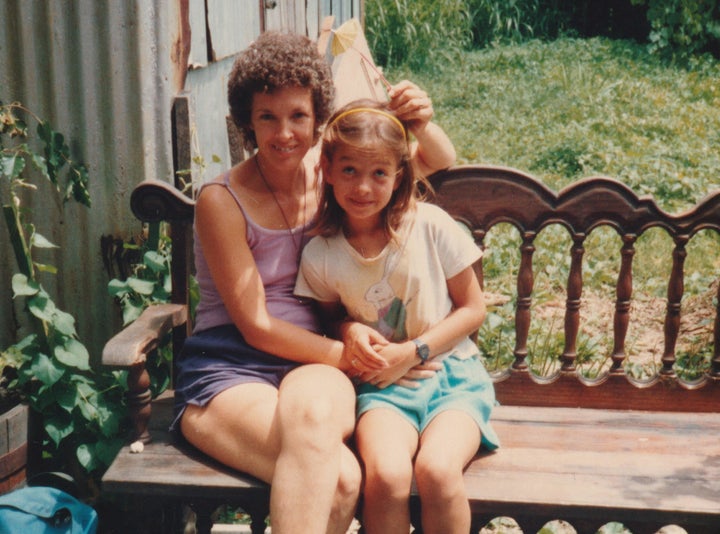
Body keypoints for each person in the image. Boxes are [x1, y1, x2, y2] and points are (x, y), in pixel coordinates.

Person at [171, 31, 457, 534]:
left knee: (336, 461)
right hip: (230, 367)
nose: (285, 133)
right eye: (268, 117)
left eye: (299, 116)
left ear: (319, 116)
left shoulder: (329, 172)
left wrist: (421, 122)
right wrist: (354, 354)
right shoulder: (221, 200)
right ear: (246, 121)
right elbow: (256, 326)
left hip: (311, 360)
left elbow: (435, 160)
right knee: (344, 480)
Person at [295, 99, 500, 534]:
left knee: (438, 471)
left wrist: (414, 350)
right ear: (327, 170)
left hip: (453, 377)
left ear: (399, 175)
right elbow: (331, 319)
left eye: (379, 174)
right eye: (349, 170)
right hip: (383, 386)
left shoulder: (430, 224)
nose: (363, 187)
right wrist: (349, 331)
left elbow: (473, 308)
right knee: (386, 477)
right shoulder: (321, 254)